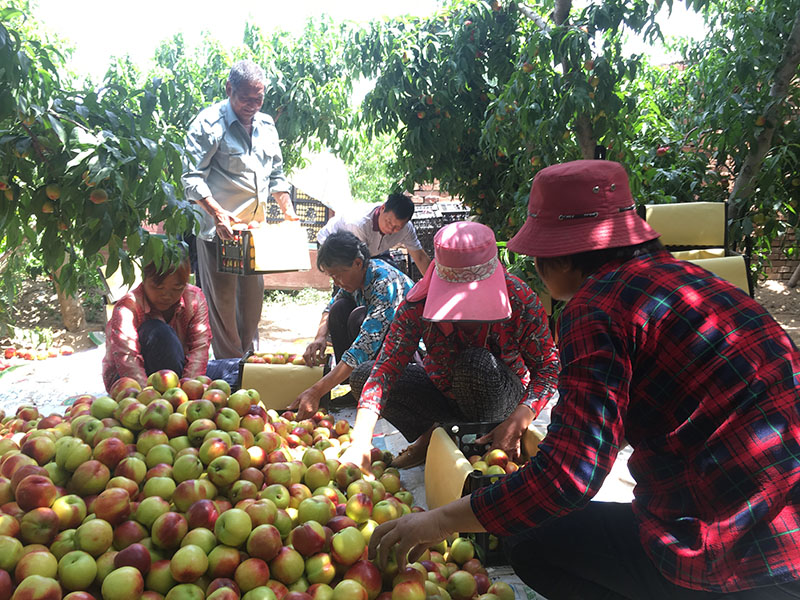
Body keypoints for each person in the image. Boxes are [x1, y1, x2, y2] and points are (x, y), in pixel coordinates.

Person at [368, 160, 800, 599]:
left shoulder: (595, 308)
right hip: (785, 532)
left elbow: (570, 476)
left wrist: (440, 521)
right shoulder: (700, 282)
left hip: (727, 550)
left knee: (527, 539)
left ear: (559, 257)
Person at [339, 220, 559, 469]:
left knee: (474, 364)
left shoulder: (518, 299)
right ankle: (438, 434)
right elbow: (384, 372)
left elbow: (548, 367)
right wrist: (360, 442)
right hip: (445, 391)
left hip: (499, 393)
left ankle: (472, 441)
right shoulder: (417, 306)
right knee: (362, 376)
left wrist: (520, 419)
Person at [182, 59, 298, 359]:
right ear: (229, 89)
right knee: (223, 308)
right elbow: (191, 178)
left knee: (251, 305)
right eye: (246, 98)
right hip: (218, 233)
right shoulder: (208, 124)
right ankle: (231, 370)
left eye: (258, 99)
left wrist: (288, 211)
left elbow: (276, 175)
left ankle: (247, 361)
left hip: (254, 236)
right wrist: (217, 213)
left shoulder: (266, 125)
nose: (252, 105)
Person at [289, 231, 414, 419]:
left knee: (358, 317)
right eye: (332, 277)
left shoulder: (383, 282)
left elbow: (364, 346)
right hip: (380, 346)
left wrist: (316, 391)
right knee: (339, 308)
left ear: (357, 263)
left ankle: (376, 391)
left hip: (410, 353)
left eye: (339, 275)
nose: (336, 282)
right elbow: (331, 307)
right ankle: (355, 387)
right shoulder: (356, 280)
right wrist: (320, 337)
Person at [102, 255, 240, 392]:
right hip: (134, 380)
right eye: (158, 287)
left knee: (241, 368)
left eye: (176, 288)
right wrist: (147, 396)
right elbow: (127, 359)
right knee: (159, 333)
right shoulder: (128, 307)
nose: (166, 295)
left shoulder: (194, 298)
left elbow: (200, 347)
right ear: (144, 280)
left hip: (180, 374)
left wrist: (189, 390)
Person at [317, 193, 431, 276]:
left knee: (393, 275)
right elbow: (357, 266)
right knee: (349, 282)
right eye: (388, 222)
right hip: (335, 247)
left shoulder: (406, 228)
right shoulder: (359, 224)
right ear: (382, 208)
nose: (391, 229)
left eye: (397, 227)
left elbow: (420, 257)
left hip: (370, 249)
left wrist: (433, 287)